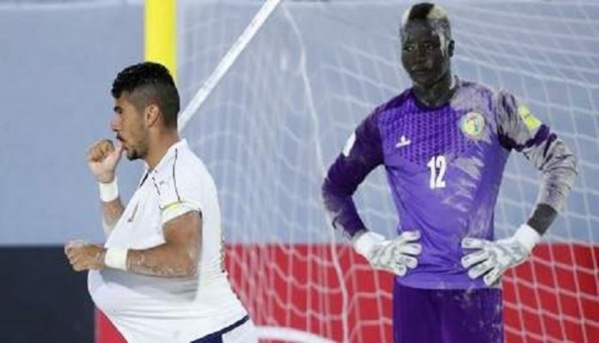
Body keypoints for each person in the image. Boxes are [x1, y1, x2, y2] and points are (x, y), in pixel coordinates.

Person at [321, 3, 578, 342]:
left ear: (450, 47)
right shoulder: (385, 121)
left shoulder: (493, 106)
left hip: (475, 289)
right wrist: (368, 245)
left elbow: (560, 160)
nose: (418, 57)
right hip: (412, 291)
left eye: (429, 45)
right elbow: (334, 188)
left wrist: (523, 242)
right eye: (408, 48)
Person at [64, 62, 256, 343]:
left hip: (208, 336)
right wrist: (107, 183)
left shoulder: (179, 174)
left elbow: (183, 259)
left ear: (151, 114)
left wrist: (100, 256)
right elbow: (127, 242)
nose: (113, 124)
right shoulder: (159, 174)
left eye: (121, 111)